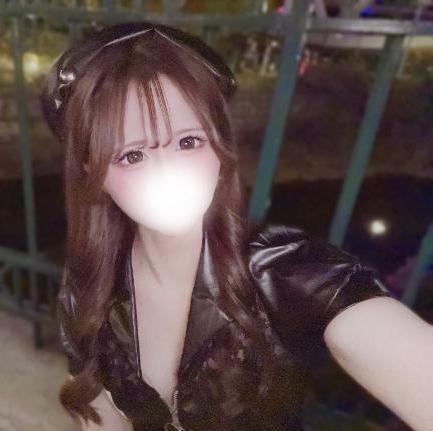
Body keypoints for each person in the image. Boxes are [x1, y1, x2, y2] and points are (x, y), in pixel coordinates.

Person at [39, 21, 432, 431]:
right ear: (93, 171)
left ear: (219, 146)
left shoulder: (287, 273)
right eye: (132, 156)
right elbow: (100, 417)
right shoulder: (89, 285)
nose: (168, 173)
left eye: (188, 141)